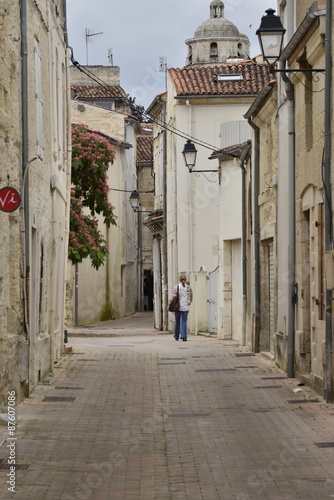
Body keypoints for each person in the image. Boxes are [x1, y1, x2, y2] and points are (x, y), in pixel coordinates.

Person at [170, 274, 193, 341]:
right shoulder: (188, 288)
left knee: (177, 322)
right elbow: (190, 297)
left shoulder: (177, 287)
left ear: (179, 280)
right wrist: (188, 303)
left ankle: (176, 336)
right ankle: (184, 336)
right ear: (185, 280)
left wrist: (169, 303)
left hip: (178, 307)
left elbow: (174, 296)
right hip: (185, 307)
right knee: (184, 322)